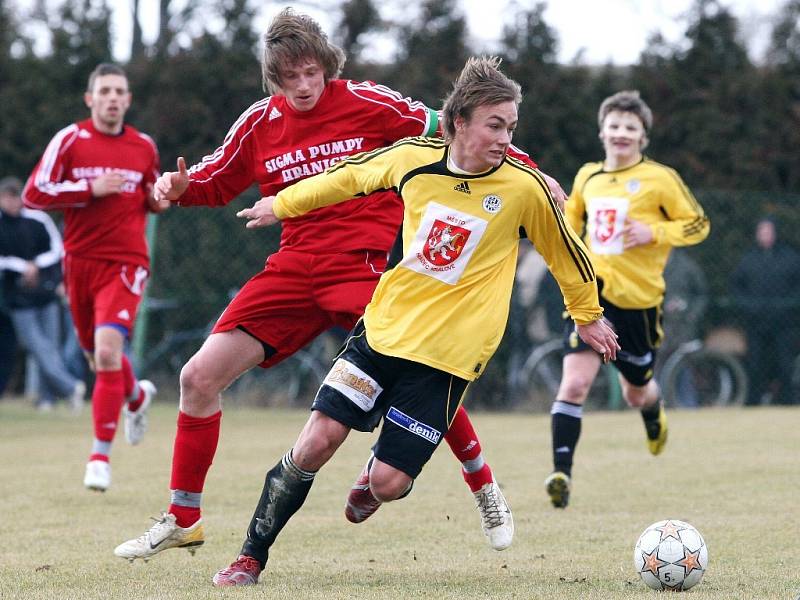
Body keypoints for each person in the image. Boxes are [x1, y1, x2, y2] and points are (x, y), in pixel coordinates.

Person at [113, 8, 566, 561]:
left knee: (420, 365)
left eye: (312, 73)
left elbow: (459, 129)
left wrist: (531, 171)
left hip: (364, 266)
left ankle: (482, 482)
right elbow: (214, 180)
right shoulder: (260, 122)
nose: (303, 86)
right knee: (197, 376)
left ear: (328, 66)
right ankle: (184, 517)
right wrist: (179, 187)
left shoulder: (371, 102)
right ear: (273, 79)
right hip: (294, 267)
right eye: (289, 77)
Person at [197, 55, 618, 586]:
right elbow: (346, 178)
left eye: (511, 127)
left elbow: (566, 253)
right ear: (459, 121)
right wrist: (283, 203)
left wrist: (588, 317)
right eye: (495, 125)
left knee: (393, 482)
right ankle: (249, 557)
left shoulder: (523, 187)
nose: (504, 137)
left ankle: (374, 482)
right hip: (384, 331)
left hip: (448, 358)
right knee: (315, 442)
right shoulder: (413, 159)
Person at [544, 90, 710, 509]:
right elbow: (570, 227)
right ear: (602, 132)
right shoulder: (588, 177)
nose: (621, 133)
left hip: (639, 302)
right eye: (614, 126)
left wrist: (653, 232)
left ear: (643, 137)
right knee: (576, 383)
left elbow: (698, 225)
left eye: (630, 127)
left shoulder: (661, 179)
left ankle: (653, 413)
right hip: (591, 296)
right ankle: (561, 472)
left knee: (636, 390)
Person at [22, 63, 165, 490]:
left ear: (128, 99)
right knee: (93, 355)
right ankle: (136, 398)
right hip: (79, 264)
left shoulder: (143, 146)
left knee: (106, 353)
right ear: (90, 98)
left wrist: (162, 198)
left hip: (125, 264)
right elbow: (34, 193)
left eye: (120, 91)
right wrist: (89, 189)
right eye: (104, 91)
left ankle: (99, 456)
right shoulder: (70, 139)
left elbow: (153, 195)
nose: (113, 98)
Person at [0, 176, 86, 411]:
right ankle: (70, 387)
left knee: (51, 347)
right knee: (37, 347)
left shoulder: (38, 220)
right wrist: (22, 267)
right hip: (18, 300)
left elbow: (57, 250)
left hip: (45, 294)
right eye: (8, 197)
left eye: (16, 197)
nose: (12, 202)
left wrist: (36, 265)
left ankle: (47, 399)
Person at [731, 216, 800, 405]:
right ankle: (754, 401)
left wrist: (787, 306)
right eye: (762, 231)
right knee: (755, 364)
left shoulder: (791, 258)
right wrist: (749, 307)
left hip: (784, 323)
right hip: (756, 323)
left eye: (768, 231)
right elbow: (737, 287)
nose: (765, 235)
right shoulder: (748, 259)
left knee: (785, 364)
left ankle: (788, 401)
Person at [655, 248, 709, 407]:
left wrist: (691, 313)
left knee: (684, 366)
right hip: (659, 325)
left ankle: (687, 403)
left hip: (684, 327)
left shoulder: (687, 265)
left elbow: (701, 294)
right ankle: (656, 402)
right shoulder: (650, 265)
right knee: (657, 365)